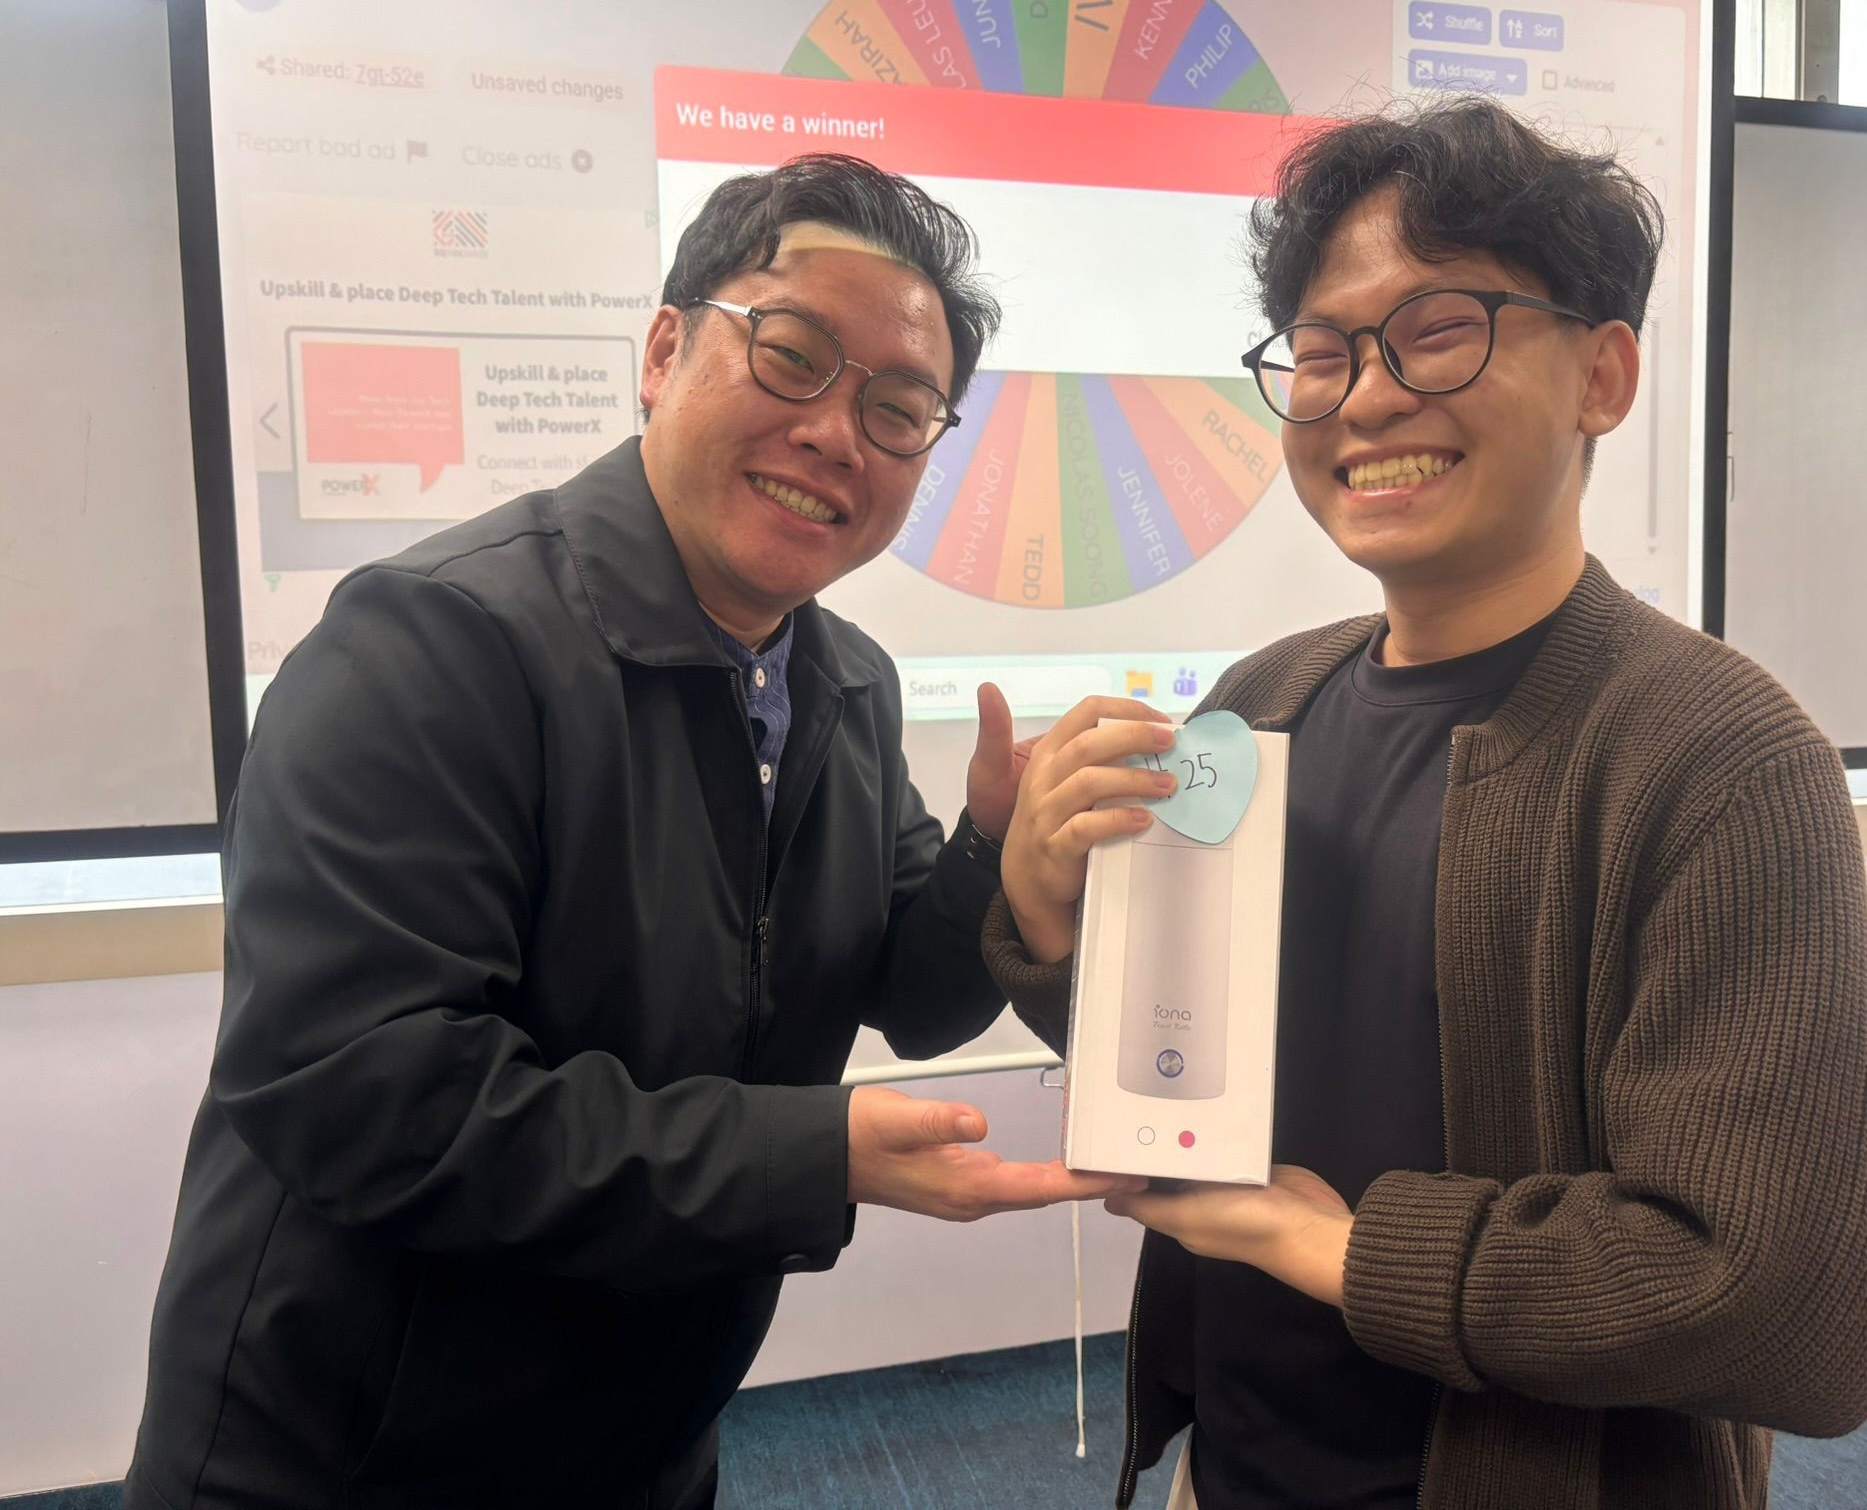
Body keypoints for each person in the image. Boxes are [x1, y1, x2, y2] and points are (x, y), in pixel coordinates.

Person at [125, 153, 1143, 1510]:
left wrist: (996, 862)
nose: (838, 434)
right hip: (351, 1455)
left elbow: (913, 992)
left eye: (900, 409)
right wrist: (810, 1154)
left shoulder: (845, 681)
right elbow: (361, 1094)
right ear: (665, 352)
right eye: (793, 356)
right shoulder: (430, 645)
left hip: (646, 1431)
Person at [989, 98, 1867, 1509]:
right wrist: (1054, 929)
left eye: (1437, 332)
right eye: (1322, 353)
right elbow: (1193, 1085)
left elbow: (1792, 1305)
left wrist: (1346, 1250)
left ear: (1604, 374)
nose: (1365, 399)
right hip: (1232, 1471)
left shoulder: (1719, 760)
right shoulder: (1260, 705)